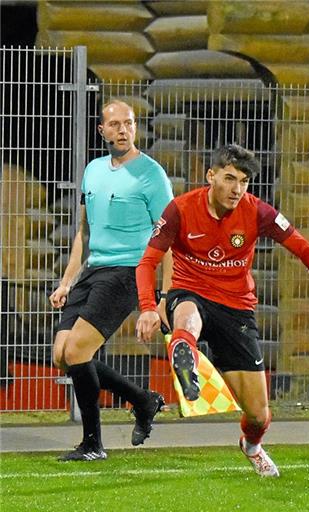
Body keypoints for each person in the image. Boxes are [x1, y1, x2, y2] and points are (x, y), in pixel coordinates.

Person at [135, 144, 309, 477]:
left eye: (243, 181)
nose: (237, 188)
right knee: (187, 314)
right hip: (190, 292)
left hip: (236, 309)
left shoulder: (257, 211)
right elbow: (147, 263)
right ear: (210, 176)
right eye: (229, 178)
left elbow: (296, 239)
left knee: (259, 414)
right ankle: (184, 354)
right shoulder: (180, 210)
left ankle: (252, 446)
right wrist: (147, 308)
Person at [49, 100, 173, 461]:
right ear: (101, 130)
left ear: (135, 128)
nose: (122, 130)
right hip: (93, 270)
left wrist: (162, 296)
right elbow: (83, 232)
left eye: (129, 123)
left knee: (76, 351)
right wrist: (67, 280)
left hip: (128, 272)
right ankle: (143, 399)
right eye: (115, 124)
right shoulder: (93, 171)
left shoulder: (151, 175)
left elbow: (168, 240)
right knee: (62, 355)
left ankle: (92, 444)